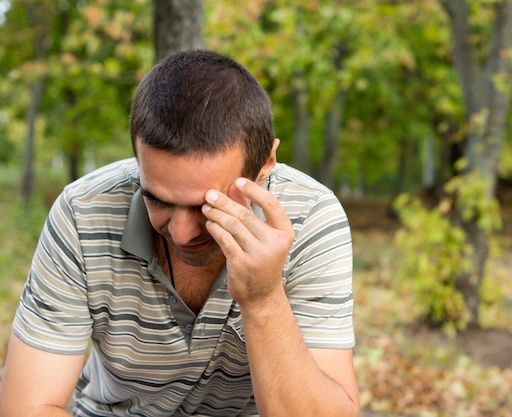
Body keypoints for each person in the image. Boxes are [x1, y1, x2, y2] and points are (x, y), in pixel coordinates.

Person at [0, 50, 359, 417]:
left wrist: (263, 298)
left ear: (265, 164)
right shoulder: (84, 212)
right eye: (157, 199)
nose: (182, 233)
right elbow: (25, 408)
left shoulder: (311, 216)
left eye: (208, 204)